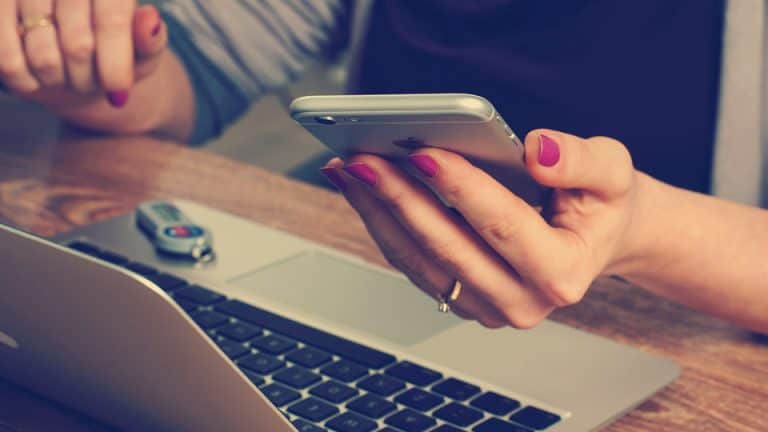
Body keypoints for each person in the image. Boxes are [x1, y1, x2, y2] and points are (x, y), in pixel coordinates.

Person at [1, 1, 766, 333]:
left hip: (691, 354)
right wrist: (97, 64)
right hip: (374, 290)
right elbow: (196, 70)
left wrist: (645, 232)